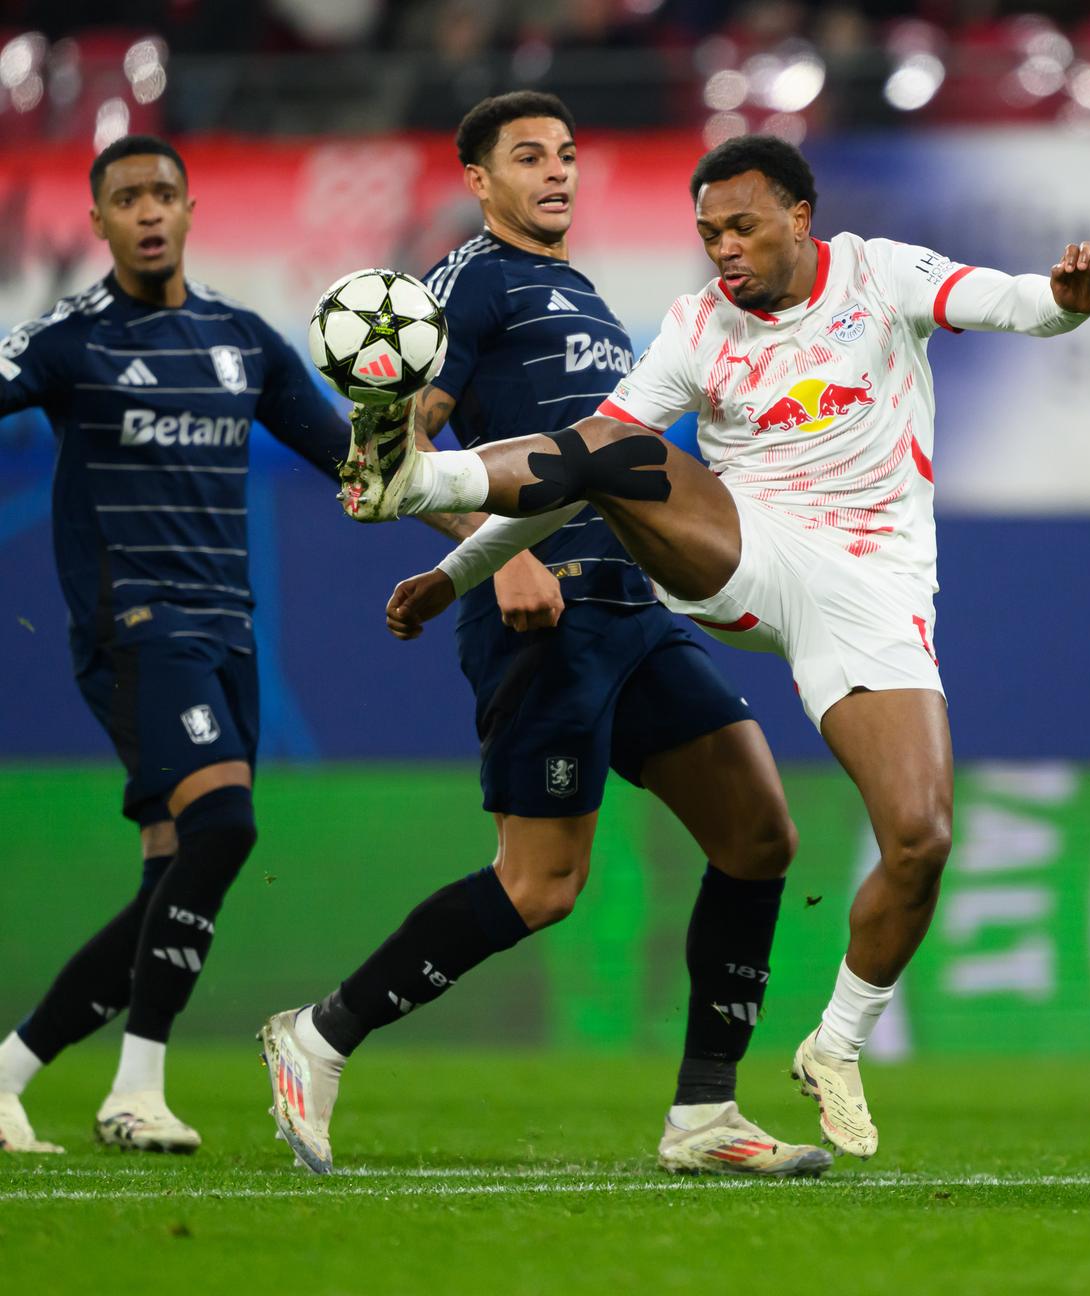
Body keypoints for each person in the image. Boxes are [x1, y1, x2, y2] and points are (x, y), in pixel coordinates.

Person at [346, 134, 1090, 1160]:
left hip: (874, 595)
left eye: (742, 227)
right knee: (617, 444)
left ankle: (835, 1046)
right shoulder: (696, 327)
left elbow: (1020, 303)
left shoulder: (882, 275)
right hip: (747, 554)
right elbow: (584, 463)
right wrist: (458, 567)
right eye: (708, 232)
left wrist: (1067, 299)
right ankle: (413, 478)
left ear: (802, 216)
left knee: (922, 836)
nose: (724, 250)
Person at [259, 94, 831, 1179]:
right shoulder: (469, 280)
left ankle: (705, 1115)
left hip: (631, 605)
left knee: (758, 834)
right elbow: (397, 456)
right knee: (541, 886)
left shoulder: (584, 294)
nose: (557, 172)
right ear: (478, 179)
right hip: (542, 608)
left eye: (567, 153)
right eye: (528, 157)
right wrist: (493, 550)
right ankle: (318, 1034)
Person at [0, 135, 350, 1155]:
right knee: (226, 828)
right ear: (99, 222)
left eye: (164, 193)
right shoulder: (69, 340)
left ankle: (12, 1071)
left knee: (173, 876)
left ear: (191, 210)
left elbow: (346, 463)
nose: (149, 211)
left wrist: (482, 539)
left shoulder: (240, 341)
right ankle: (136, 1089)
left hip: (227, 636)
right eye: (127, 199)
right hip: (139, 632)